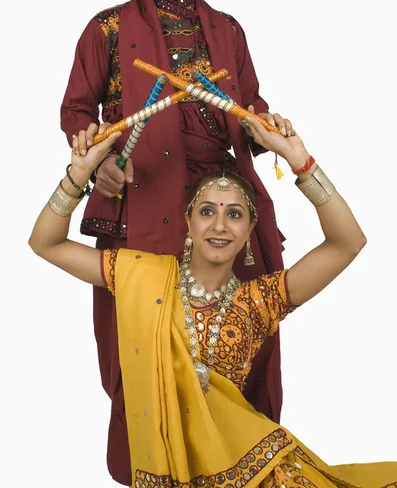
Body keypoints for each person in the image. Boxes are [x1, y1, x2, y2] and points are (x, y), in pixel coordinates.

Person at [29, 114, 397, 487]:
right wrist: (78, 176)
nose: (219, 226)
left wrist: (299, 161)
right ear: (188, 222)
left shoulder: (259, 301)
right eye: (207, 211)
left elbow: (348, 243)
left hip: (254, 474)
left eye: (234, 214)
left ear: (250, 230)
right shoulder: (140, 276)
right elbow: (45, 243)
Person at [60, 0, 291, 483]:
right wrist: (103, 160)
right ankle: (155, 470)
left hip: (222, 209)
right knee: (141, 347)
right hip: (141, 205)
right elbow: (77, 111)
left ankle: (240, 465)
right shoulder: (107, 28)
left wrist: (270, 130)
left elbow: (247, 108)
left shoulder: (227, 29)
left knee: (241, 339)